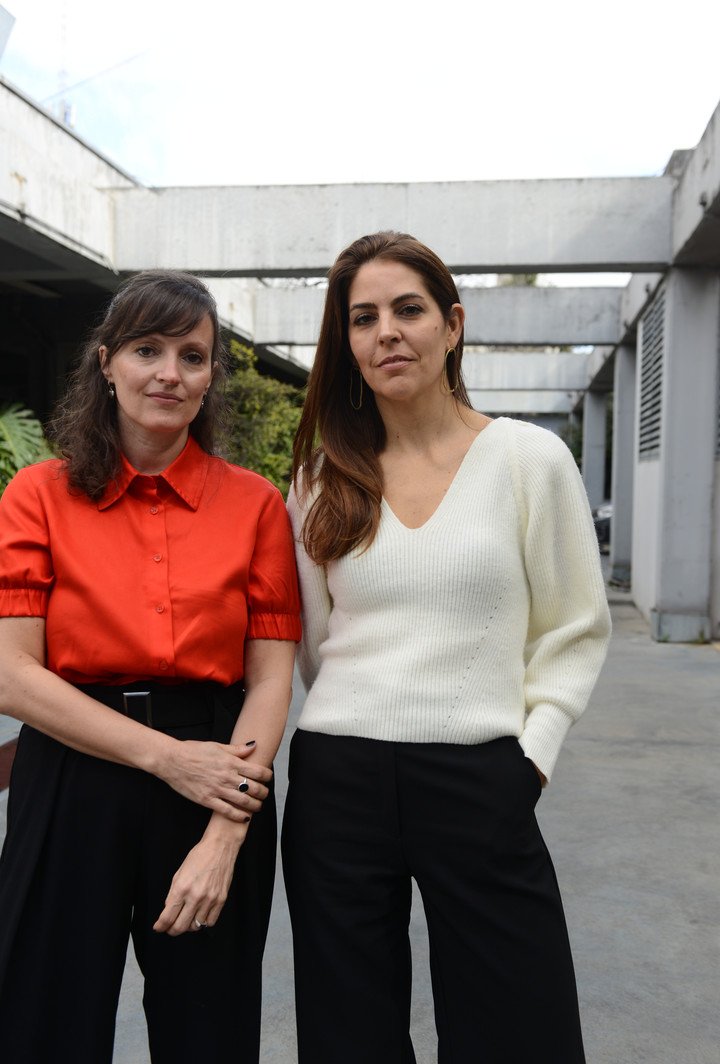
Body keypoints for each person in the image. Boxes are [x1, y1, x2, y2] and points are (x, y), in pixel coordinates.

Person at [282, 232, 611, 1063]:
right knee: (348, 1035)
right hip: (338, 779)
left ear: (452, 324)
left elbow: (574, 625)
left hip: (481, 775)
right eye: (363, 318)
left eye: (408, 310)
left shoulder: (528, 459)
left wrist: (532, 756)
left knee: (519, 1025)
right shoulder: (322, 479)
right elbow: (318, 642)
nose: (386, 333)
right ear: (347, 342)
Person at [0, 270, 301, 1064]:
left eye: (192, 356)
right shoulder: (37, 495)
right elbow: (11, 675)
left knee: (209, 1032)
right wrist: (167, 759)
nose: (170, 373)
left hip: (218, 775)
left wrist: (224, 835)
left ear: (210, 378)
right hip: (72, 774)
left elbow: (272, 680)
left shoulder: (255, 506)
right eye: (147, 350)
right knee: (42, 1025)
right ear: (106, 363)